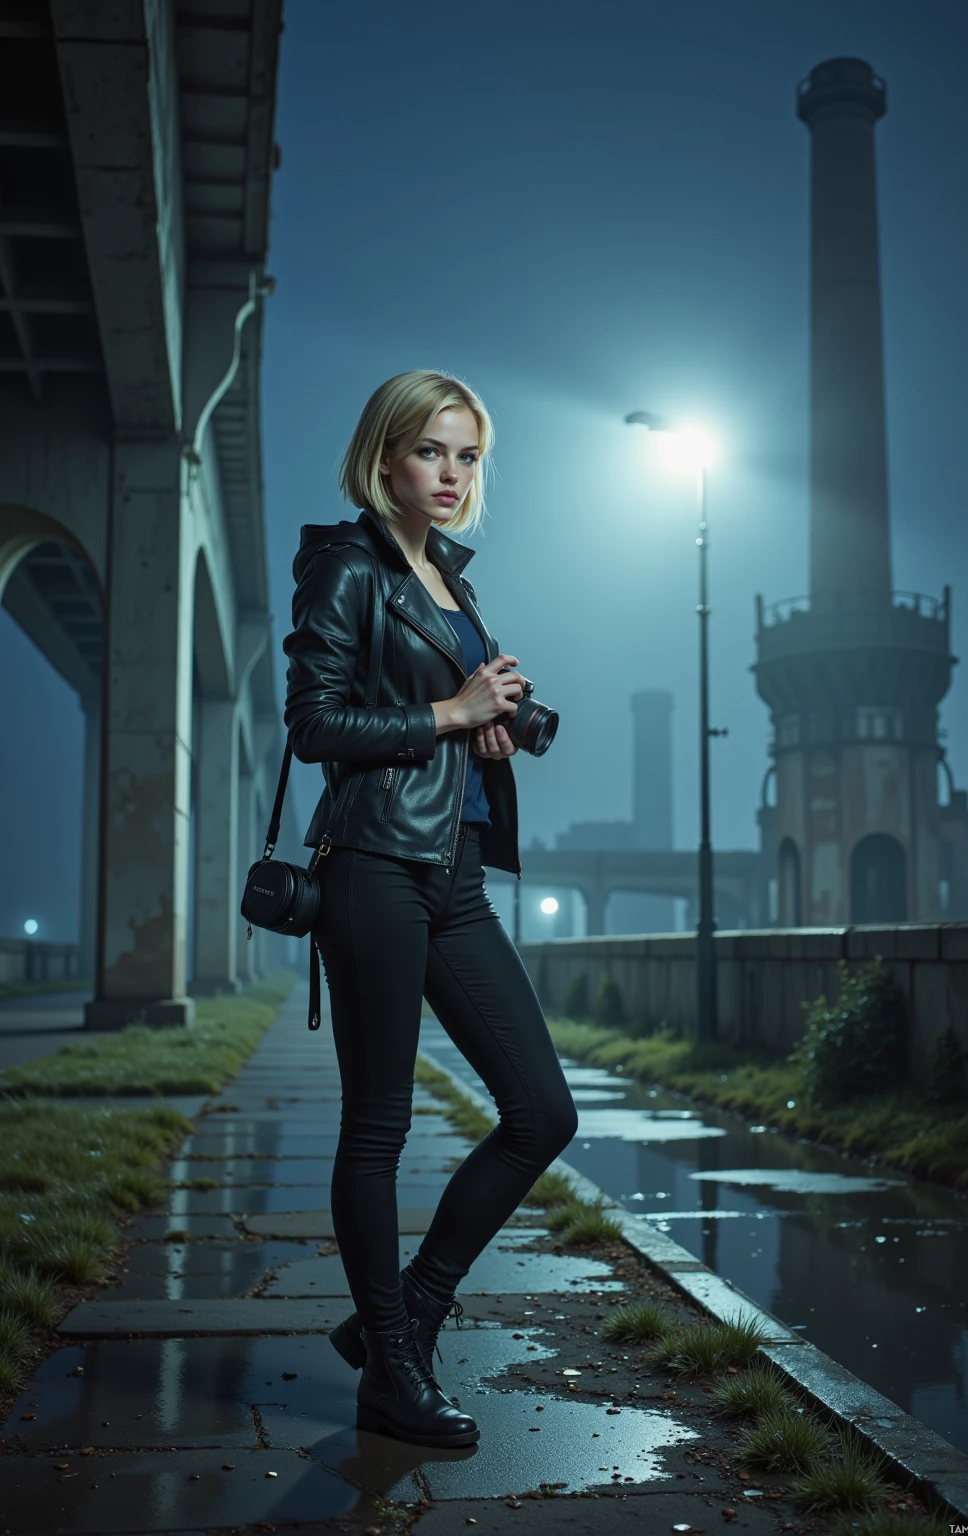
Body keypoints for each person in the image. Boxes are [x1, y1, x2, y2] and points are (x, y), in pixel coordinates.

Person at [282, 369, 579, 1449]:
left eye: (466, 456)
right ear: (384, 457)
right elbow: (314, 724)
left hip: (453, 873)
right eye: (430, 453)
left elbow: (436, 718)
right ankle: (393, 1378)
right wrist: (448, 708)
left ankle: (405, 1315)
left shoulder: (447, 578)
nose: (450, 476)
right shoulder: (345, 565)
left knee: (543, 1113)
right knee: (378, 1127)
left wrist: (484, 723)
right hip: (373, 867)